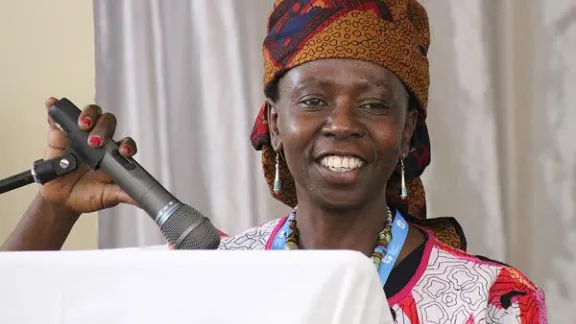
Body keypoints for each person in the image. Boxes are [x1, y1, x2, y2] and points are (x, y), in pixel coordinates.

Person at [2, 0, 547, 322]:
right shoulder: (210, 270)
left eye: (375, 104)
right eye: (312, 100)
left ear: (407, 131)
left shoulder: (491, 304)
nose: (342, 123)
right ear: (275, 124)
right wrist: (56, 207)